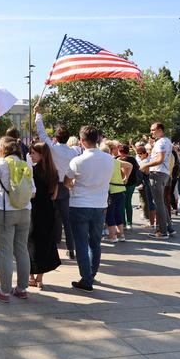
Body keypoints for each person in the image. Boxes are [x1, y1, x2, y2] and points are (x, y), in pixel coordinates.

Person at [0, 137, 36, 303]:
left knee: (5, 252)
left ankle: (4, 292)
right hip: (25, 210)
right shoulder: (26, 164)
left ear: (3, 149)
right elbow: (33, 191)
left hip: (4, 211)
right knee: (22, 249)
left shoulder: (1, 163)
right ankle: (22, 289)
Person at [64, 125, 113, 292]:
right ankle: (91, 274)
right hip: (100, 205)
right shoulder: (109, 158)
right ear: (98, 139)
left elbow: (67, 182)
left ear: (82, 141)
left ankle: (86, 279)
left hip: (80, 204)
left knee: (81, 244)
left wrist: (75, 184)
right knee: (95, 242)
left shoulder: (77, 160)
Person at [34, 105, 77, 259]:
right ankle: (71, 248)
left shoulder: (52, 148)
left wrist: (38, 115)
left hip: (51, 185)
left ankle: (50, 247)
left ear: (56, 137)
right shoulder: (74, 151)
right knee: (67, 220)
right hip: (65, 186)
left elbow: (41, 133)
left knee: (49, 217)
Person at [27, 142, 61, 290]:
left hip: (34, 209)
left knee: (31, 241)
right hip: (48, 209)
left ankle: (31, 276)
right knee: (45, 242)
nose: (31, 155)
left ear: (41, 154)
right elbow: (54, 195)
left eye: (34, 153)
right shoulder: (54, 171)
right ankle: (40, 278)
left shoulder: (32, 171)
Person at [139, 122, 174, 239]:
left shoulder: (161, 142)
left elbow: (159, 159)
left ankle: (162, 231)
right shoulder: (166, 141)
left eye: (153, 130)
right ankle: (169, 228)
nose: (151, 132)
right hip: (162, 173)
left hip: (157, 173)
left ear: (160, 130)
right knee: (161, 203)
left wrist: (145, 165)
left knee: (158, 203)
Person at [101, 140, 132, 242]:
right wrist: (126, 178)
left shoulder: (105, 162)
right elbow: (129, 165)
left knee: (110, 213)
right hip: (121, 189)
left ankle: (112, 236)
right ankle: (121, 235)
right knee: (118, 213)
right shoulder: (115, 161)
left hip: (112, 190)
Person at [117, 144, 139, 230]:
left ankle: (124, 223)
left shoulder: (117, 159)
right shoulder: (132, 159)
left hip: (122, 184)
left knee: (122, 204)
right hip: (132, 183)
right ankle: (129, 222)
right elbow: (138, 168)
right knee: (128, 203)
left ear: (120, 151)